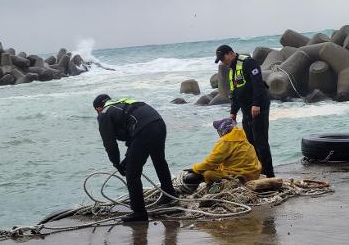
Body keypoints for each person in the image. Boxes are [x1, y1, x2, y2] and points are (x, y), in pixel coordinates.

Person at [93, 94, 177, 222]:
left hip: (144, 129)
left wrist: (116, 163)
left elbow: (109, 143)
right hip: (158, 123)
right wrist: (126, 160)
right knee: (159, 161)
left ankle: (139, 213)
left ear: (98, 108)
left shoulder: (103, 114)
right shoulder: (122, 103)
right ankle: (170, 195)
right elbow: (133, 135)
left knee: (132, 174)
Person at [215, 44, 275, 177]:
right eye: (220, 60)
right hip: (246, 108)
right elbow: (235, 93)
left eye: (223, 58)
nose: (223, 62)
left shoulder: (248, 62)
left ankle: (269, 174)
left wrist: (256, 104)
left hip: (258, 106)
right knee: (250, 141)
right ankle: (258, 171)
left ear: (230, 53)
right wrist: (233, 112)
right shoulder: (232, 70)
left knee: (260, 141)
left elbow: (258, 84)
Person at [190, 118, 261, 184]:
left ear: (222, 129)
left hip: (243, 176)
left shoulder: (226, 141)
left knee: (208, 174)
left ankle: (216, 189)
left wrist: (195, 169)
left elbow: (211, 162)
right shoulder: (241, 136)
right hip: (254, 173)